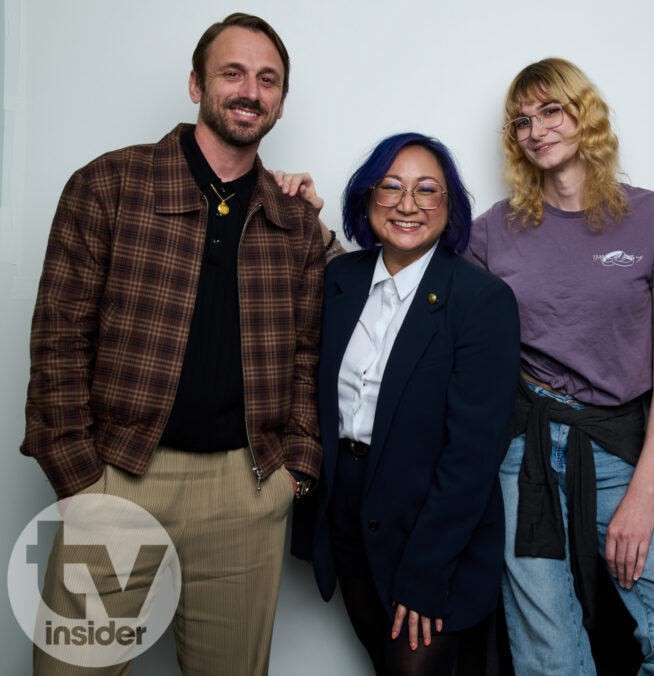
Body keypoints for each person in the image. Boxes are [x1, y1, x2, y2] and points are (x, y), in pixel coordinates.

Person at [21, 13, 324, 675]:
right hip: (121, 474)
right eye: (233, 73)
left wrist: (293, 469)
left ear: (279, 101)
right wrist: (80, 480)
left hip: (245, 490)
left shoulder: (294, 221)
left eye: (267, 79)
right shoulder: (108, 186)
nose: (250, 90)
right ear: (196, 85)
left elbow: (307, 351)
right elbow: (59, 340)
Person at [466, 57, 654, 675]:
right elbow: (422, 292)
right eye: (521, 122)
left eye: (551, 110)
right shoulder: (491, 232)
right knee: (552, 662)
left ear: (585, 114)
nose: (536, 130)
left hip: (617, 451)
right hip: (519, 457)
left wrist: (646, 488)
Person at [289, 133, 520, 676]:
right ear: (367, 199)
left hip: (434, 524)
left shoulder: (482, 300)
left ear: (451, 205)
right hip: (346, 509)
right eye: (390, 187)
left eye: (427, 190)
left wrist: (426, 569)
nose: (407, 204)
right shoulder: (338, 280)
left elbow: (472, 455)